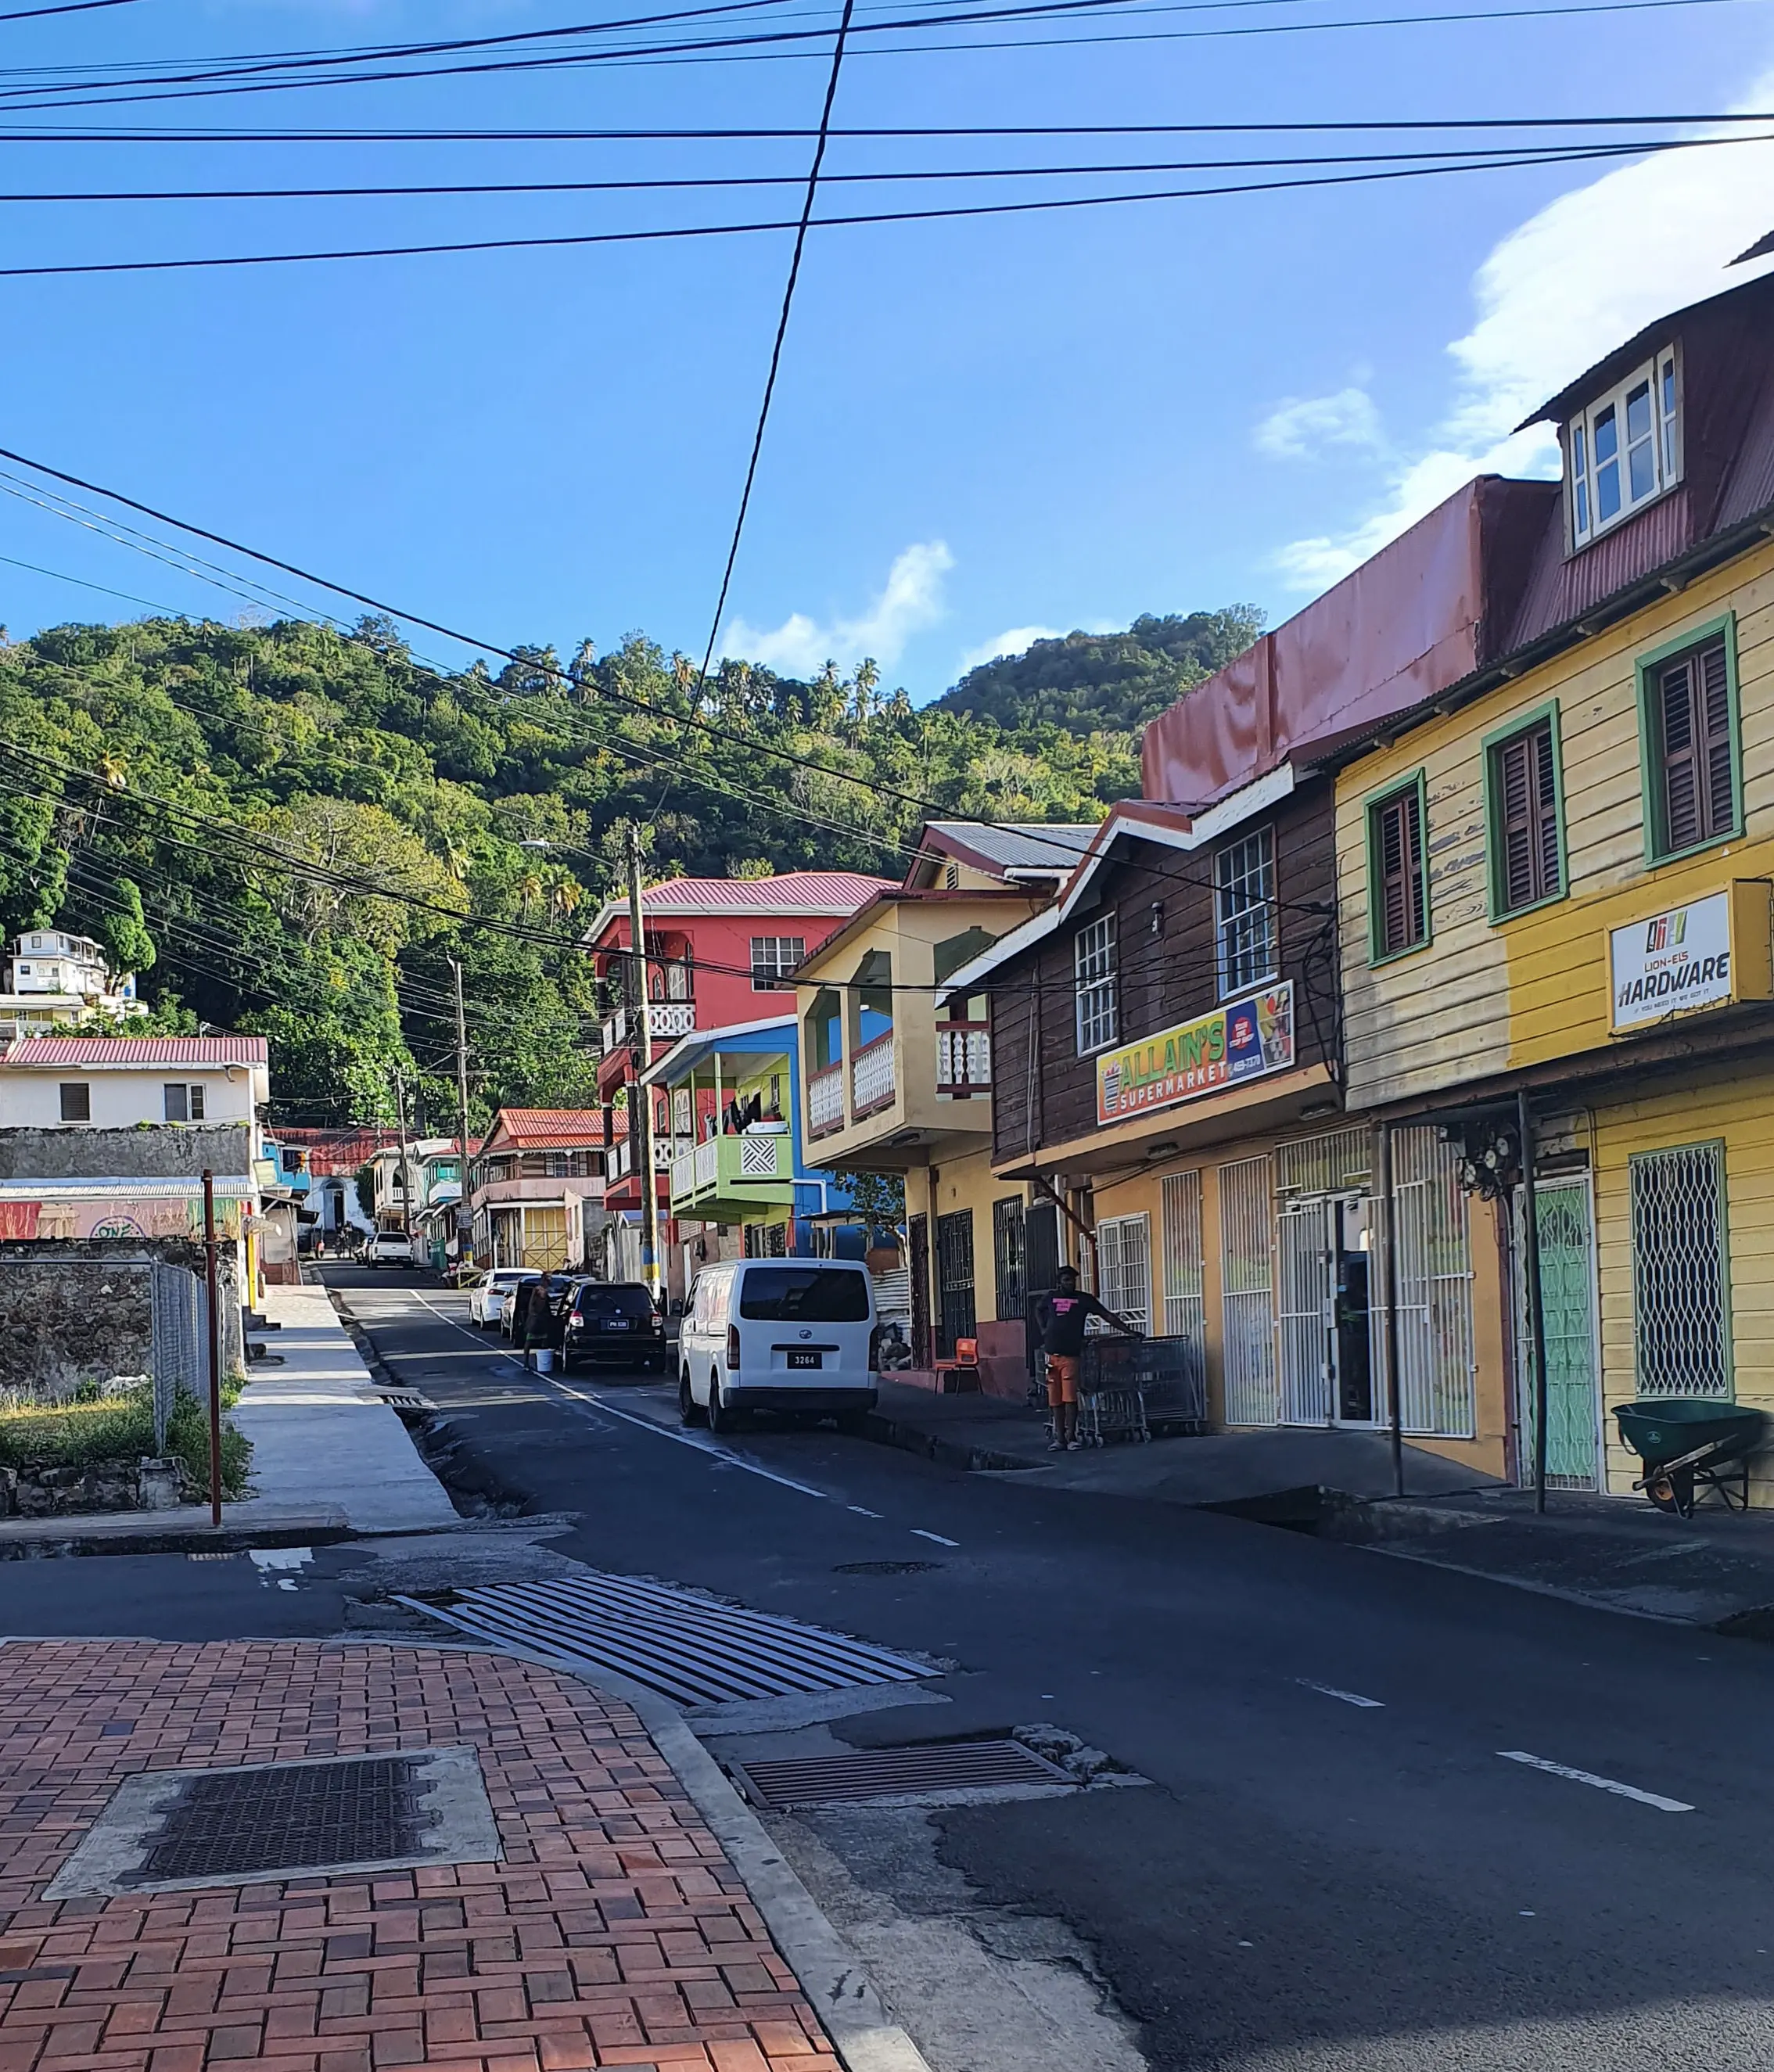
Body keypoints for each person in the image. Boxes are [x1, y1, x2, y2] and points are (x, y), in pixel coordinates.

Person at [1033, 1266, 1140, 1450]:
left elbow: (1106, 1315)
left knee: (1070, 1398)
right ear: (1059, 1282)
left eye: (1073, 1280)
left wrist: (1128, 1331)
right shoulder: (1050, 1297)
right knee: (1055, 1399)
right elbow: (1038, 1309)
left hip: (1071, 1355)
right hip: (1051, 1355)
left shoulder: (1082, 1299)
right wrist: (1043, 1330)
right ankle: (1059, 1439)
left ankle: (1071, 1436)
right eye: (1067, 1280)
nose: (1070, 1283)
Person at [522, 1272, 558, 1370]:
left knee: (544, 1341)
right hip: (535, 1320)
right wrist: (534, 1315)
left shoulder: (545, 1292)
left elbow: (549, 1304)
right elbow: (531, 1305)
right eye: (548, 1280)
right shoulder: (537, 1290)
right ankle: (526, 1362)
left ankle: (544, 1362)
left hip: (543, 1320)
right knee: (529, 1341)